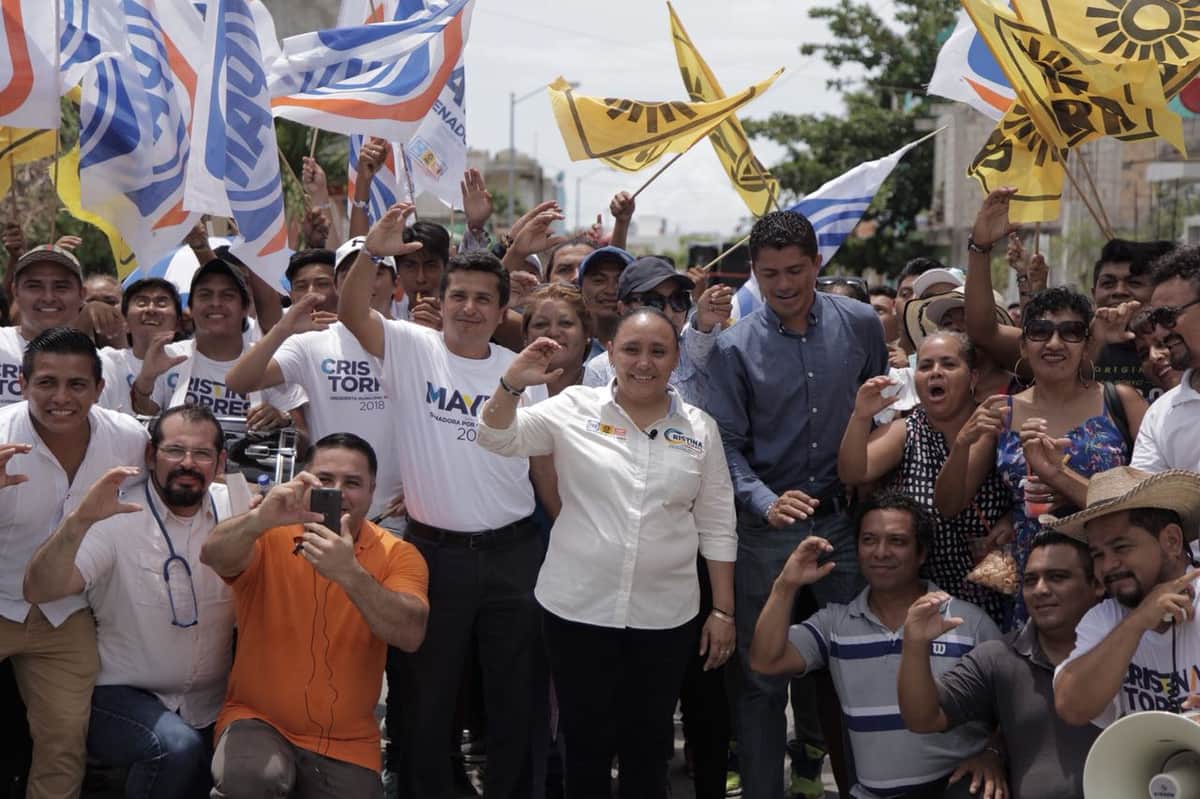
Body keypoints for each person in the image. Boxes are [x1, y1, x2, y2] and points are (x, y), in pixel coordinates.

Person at [477, 307, 737, 798]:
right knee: (586, 744)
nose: (644, 362)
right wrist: (511, 383)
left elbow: (718, 522)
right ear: (611, 353)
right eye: (632, 350)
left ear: (676, 358)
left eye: (658, 351)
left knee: (649, 744)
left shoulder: (701, 428)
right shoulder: (574, 407)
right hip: (577, 609)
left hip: (665, 616)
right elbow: (494, 436)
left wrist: (722, 609)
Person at [338, 203, 548, 799]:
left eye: (485, 299)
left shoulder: (523, 372)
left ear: (502, 311)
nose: (469, 308)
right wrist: (375, 251)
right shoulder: (410, 346)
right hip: (432, 556)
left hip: (514, 556)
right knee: (427, 702)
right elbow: (353, 311)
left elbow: (543, 471)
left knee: (514, 702)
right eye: (459, 295)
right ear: (441, 299)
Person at [704, 209, 888, 799]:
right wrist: (763, 500)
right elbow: (724, 445)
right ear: (752, 276)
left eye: (794, 270)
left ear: (817, 264)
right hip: (764, 532)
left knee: (859, 663)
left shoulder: (862, 325)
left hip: (843, 521)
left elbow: (882, 414)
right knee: (761, 680)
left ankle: (869, 788)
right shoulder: (732, 347)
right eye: (768, 274)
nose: (783, 285)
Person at [23, 405, 236, 799]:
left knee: (232, 771)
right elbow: (41, 589)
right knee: (177, 749)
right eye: (175, 450)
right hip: (122, 695)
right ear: (151, 455)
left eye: (202, 454)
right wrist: (80, 520)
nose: (188, 463)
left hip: (209, 702)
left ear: (220, 461)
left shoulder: (234, 507)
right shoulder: (117, 514)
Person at [200, 433, 429, 798]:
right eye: (324, 480)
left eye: (352, 483)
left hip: (347, 742)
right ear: (303, 480)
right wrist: (258, 519)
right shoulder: (270, 531)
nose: (337, 492)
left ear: (372, 491)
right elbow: (214, 555)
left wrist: (349, 572)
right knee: (250, 779)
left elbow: (410, 633)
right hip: (258, 720)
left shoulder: (398, 554)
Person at [749, 491, 1005, 799]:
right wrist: (785, 585)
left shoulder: (969, 622)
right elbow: (766, 661)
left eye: (897, 541)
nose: (880, 552)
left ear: (921, 553)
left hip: (956, 789)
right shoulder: (835, 624)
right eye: (869, 540)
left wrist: (993, 752)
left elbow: (1013, 708)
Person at [938, 285, 1146, 624]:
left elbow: (1148, 503)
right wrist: (962, 443)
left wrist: (1058, 478)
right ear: (1023, 344)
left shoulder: (1121, 401)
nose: (1053, 344)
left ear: (1087, 343)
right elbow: (948, 504)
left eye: (1070, 332)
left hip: (1107, 572)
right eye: (1039, 332)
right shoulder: (1002, 411)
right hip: (1035, 581)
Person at [0, 327, 149, 798]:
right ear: (21, 385)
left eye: (77, 384)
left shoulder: (129, 439)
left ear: (100, 389)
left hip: (66, 614)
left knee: (64, 745)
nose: (61, 397)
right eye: (46, 383)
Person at [897, 530, 1104, 798]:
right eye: (1030, 580)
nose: (1040, 589)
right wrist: (914, 645)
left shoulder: (1131, 646)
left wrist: (994, 749)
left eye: (1058, 577)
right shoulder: (1000, 656)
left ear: (1097, 584)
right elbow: (923, 718)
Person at [838, 332, 1013, 626]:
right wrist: (860, 416)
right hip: (921, 599)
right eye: (926, 365)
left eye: (948, 364)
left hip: (989, 593)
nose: (935, 373)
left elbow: (950, 504)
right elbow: (853, 472)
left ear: (972, 377)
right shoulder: (908, 429)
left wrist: (961, 445)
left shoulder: (990, 420)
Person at [1049, 466, 1200, 726]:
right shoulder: (1104, 618)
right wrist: (1138, 621)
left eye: (1121, 547)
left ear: (1172, 541)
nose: (1107, 566)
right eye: (1098, 554)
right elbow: (1071, 707)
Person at [131, 258, 307, 436]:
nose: (216, 303)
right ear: (190, 308)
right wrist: (146, 380)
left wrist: (284, 420)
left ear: (245, 307)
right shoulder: (169, 357)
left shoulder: (270, 360)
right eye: (205, 295)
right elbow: (145, 415)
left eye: (227, 295)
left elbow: (302, 440)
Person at [582, 256, 732, 404]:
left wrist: (708, 317)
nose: (668, 312)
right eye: (653, 302)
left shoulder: (696, 352)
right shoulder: (600, 370)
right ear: (623, 308)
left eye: (678, 300)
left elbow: (703, 338)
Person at [0, 246, 129, 410]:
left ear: (82, 294)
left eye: (61, 287)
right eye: (34, 286)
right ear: (15, 292)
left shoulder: (106, 365)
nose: (48, 297)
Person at [1130, 244, 1200, 471]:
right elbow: (1145, 502)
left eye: (1167, 316)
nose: (1160, 332)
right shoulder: (1161, 415)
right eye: (1155, 319)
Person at [100, 279, 184, 416]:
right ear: (125, 322)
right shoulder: (108, 362)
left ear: (178, 324)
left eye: (161, 303)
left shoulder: (189, 358)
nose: (151, 309)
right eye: (141, 303)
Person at [577, 245, 634, 359]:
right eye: (599, 280)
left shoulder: (654, 347)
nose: (610, 290)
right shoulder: (569, 347)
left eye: (620, 281)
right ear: (580, 287)